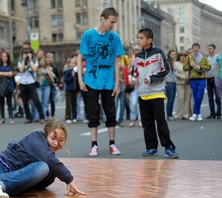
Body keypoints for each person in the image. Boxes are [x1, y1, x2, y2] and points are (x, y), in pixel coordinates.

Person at [77, 7, 124, 156]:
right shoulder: (88, 35)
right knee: (93, 113)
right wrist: (80, 79)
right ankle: (94, 145)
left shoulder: (114, 38)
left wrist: (117, 83)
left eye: (115, 23)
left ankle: (112, 144)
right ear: (102, 19)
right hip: (91, 80)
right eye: (111, 22)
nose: (112, 25)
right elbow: (80, 57)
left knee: (110, 113)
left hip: (108, 82)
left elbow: (117, 61)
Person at [131, 28, 178, 159]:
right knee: (147, 122)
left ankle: (169, 147)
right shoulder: (138, 56)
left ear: (149, 40)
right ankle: (151, 147)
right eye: (138, 38)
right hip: (142, 93)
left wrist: (152, 78)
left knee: (160, 121)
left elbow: (166, 69)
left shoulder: (158, 53)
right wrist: (133, 79)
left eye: (141, 38)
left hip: (156, 92)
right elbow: (133, 72)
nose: (138, 40)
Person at [183, 43, 211, 122]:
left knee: (199, 96)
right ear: (192, 49)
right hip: (192, 79)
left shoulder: (204, 57)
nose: (195, 49)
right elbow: (184, 68)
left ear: (199, 48)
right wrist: (190, 66)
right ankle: (198, 114)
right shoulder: (189, 57)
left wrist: (200, 67)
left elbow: (209, 67)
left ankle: (196, 113)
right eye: (194, 47)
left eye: (197, 47)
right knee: (195, 96)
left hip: (202, 79)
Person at [18, 47, 45, 124]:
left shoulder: (34, 60)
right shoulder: (20, 60)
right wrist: (23, 60)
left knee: (36, 100)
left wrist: (30, 60)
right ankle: (28, 117)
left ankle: (41, 117)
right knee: (25, 101)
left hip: (31, 82)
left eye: (28, 53)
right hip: (23, 82)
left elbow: (34, 69)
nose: (26, 55)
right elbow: (21, 70)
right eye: (25, 53)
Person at [0, 51, 15, 124]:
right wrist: (5, 73)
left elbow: (11, 74)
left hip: (9, 85)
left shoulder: (11, 65)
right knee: (1, 102)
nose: (4, 58)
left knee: (9, 102)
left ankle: (11, 117)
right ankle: (2, 117)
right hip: (0, 86)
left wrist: (1, 73)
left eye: (6, 56)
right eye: (3, 56)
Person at [174, 52, 192, 120]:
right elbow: (175, 73)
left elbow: (191, 72)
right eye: (181, 56)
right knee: (180, 98)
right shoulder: (176, 64)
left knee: (187, 99)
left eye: (185, 56)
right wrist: (183, 77)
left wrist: (189, 77)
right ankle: (178, 114)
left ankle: (185, 114)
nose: (183, 57)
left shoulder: (188, 64)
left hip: (188, 83)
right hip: (180, 83)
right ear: (179, 57)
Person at [205, 44, 221, 119]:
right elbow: (205, 68)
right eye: (208, 49)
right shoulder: (207, 58)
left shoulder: (218, 57)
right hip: (209, 79)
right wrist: (205, 74)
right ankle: (212, 113)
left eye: (210, 48)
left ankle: (219, 113)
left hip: (217, 79)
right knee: (210, 97)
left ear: (214, 49)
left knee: (218, 97)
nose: (209, 50)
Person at [63, 55, 78, 123]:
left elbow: (77, 81)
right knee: (68, 104)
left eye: (74, 63)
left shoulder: (76, 72)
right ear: (69, 64)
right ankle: (67, 117)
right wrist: (72, 76)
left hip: (75, 89)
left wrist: (78, 90)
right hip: (68, 89)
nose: (73, 64)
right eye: (72, 63)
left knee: (74, 104)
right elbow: (66, 80)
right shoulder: (67, 71)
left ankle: (74, 117)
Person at [164, 50, 177, 121]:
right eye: (172, 54)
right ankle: (169, 115)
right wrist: (164, 82)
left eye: (174, 54)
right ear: (169, 55)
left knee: (172, 99)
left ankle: (171, 114)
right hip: (169, 82)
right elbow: (164, 72)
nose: (173, 55)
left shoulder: (174, 62)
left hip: (174, 82)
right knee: (170, 99)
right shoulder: (167, 62)